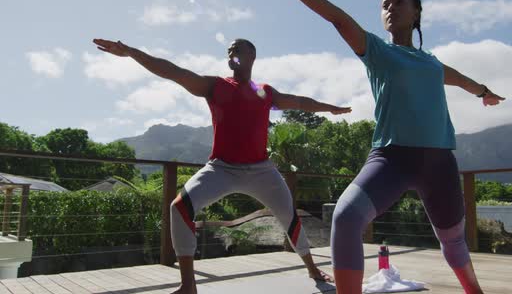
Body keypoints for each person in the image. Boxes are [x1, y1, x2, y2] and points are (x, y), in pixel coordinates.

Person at [265, 0, 505, 293]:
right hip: (391, 158)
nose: (390, 8)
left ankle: (475, 291)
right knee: (347, 217)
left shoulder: (431, 62)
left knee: (454, 240)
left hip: (439, 161)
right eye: (385, 5)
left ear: (416, 12)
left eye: (398, 2)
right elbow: (337, 17)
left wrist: (483, 92)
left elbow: (457, 77)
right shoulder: (376, 50)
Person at [93, 37, 349, 294]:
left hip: (262, 170)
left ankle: (312, 269)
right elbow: (174, 72)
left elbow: (300, 102)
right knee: (179, 207)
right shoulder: (215, 86)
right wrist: (131, 52)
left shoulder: (265, 92)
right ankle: (188, 285)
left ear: (252, 56)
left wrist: (330, 108)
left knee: (290, 218)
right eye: (228, 49)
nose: (231, 52)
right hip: (221, 168)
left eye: (237, 48)